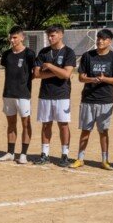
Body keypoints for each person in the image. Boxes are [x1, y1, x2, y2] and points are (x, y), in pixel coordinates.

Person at [72, 29, 113, 170]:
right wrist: (93, 79)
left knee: (103, 131)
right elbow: (81, 77)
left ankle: (105, 160)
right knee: (85, 130)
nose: (100, 41)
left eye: (104, 39)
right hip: (88, 99)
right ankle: (80, 158)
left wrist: (104, 79)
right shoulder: (87, 56)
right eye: (99, 38)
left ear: (109, 41)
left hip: (106, 99)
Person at [34, 24, 75, 167]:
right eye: (49, 36)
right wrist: (58, 72)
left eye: (53, 35)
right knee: (46, 124)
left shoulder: (69, 52)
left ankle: (65, 155)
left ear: (61, 35)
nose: (50, 38)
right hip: (45, 94)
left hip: (62, 94)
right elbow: (37, 74)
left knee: (63, 125)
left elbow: (66, 74)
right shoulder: (44, 52)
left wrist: (50, 67)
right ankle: (44, 154)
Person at [0, 27, 36, 164]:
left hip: (23, 94)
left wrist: (24, 83)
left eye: (15, 37)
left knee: (26, 123)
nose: (12, 40)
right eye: (11, 37)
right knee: (11, 124)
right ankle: (10, 152)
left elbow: (34, 73)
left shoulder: (29, 53)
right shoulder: (6, 54)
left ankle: (23, 154)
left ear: (22, 38)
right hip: (8, 93)